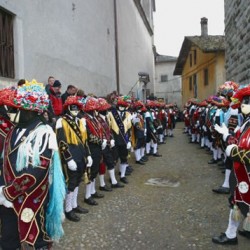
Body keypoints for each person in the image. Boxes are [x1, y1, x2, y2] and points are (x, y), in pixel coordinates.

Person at [0, 80, 65, 249]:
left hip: (32, 196)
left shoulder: (44, 133)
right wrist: (2, 189)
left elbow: (37, 170)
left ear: (29, 111)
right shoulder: (12, 130)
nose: (11, 112)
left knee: (38, 238)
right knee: (8, 236)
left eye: (16, 109)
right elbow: (5, 162)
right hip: (7, 196)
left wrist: (10, 192)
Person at [212, 85, 250, 245]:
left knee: (238, 201)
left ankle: (230, 235)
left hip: (246, 172)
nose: (243, 105)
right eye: (244, 101)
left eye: (247, 102)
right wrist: (227, 135)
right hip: (242, 171)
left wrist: (233, 151)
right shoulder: (247, 122)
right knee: (237, 200)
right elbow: (238, 141)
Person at [56, 95, 91, 221]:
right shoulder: (62, 121)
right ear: (68, 108)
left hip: (81, 155)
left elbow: (84, 140)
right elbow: (61, 142)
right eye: (73, 107)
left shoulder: (79, 121)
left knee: (77, 181)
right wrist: (68, 159)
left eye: (77, 107)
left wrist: (88, 155)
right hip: (71, 157)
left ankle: (74, 205)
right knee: (71, 183)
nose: (75, 109)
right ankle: (68, 209)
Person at [96, 97, 124, 190]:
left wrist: (111, 139)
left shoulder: (106, 118)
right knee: (102, 165)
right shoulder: (97, 119)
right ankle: (102, 184)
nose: (107, 110)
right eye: (105, 109)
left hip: (108, 144)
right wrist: (104, 140)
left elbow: (109, 130)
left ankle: (113, 181)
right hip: (101, 145)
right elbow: (99, 133)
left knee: (111, 162)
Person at [108, 96, 133, 184]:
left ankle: (122, 176)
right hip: (115, 139)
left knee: (124, 158)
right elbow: (108, 128)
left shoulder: (128, 115)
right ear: (117, 105)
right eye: (120, 105)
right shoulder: (111, 114)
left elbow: (129, 129)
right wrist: (110, 139)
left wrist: (129, 140)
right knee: (114, 159)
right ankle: (112, 177)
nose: (122, 107)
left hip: (124, 140)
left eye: (124, 106)